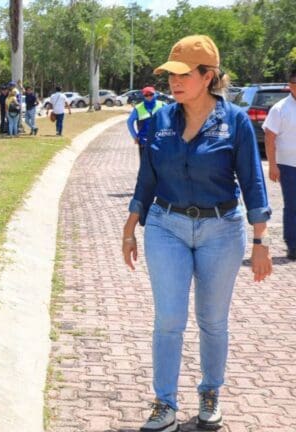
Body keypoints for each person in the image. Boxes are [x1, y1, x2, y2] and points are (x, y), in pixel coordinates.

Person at [121, 35, 271, 432]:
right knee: (169, 318)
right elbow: (147, 177)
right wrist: (131, 225)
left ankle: (210, 393)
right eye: (170, 75)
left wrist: (261, 242)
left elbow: (253, 183)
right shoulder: (159, 121)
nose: (174, 82)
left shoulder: (235, 121)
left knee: (212, 320)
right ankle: (164, 404)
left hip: (221, 231)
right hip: (166, 226)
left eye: (184, 74)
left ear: (208, 76)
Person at [262, 69, 296, 260]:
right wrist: (273, 165)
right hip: (288, 165)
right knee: (292, 206)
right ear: (289, 85)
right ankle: (293, 245)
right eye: (294, 83)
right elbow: (269, 138)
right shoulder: (280, 108)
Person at [127, 86, 166, 158]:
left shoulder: (162, 105)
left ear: (155, 94)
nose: (149, 97)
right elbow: (129, 122)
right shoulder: (138, 108)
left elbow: (171, 118)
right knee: (145, 164)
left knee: (160, 164)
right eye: (146, 95)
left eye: (151, 94)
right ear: (143, 96)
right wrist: (135, 136)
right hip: (144, 141)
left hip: (160, 140)